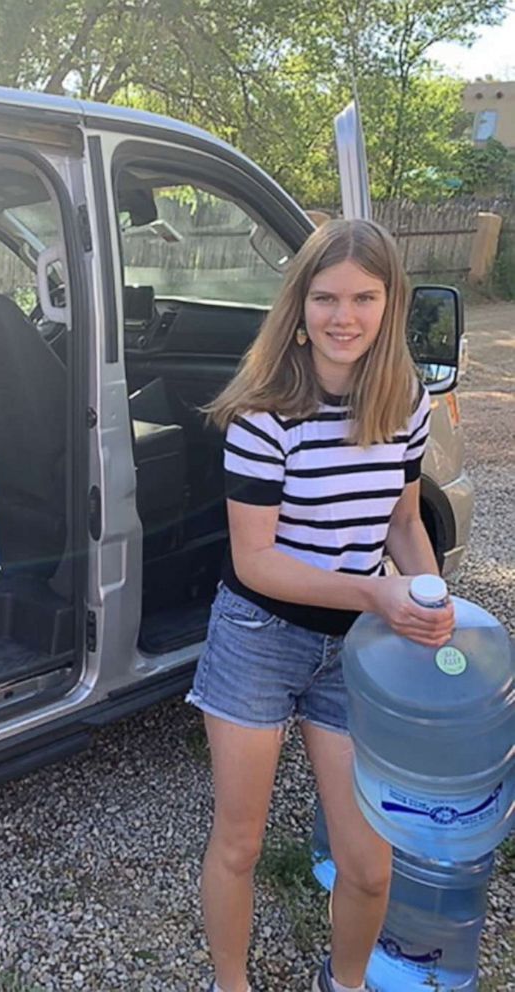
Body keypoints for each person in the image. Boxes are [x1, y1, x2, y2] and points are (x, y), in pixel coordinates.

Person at [186, 218, 455, 992]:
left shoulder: (404, 399)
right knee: (239, 842)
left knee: (369, 865)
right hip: (257, 636)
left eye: (365, 298)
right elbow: (257, 560)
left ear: (391, 304)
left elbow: (403, 523)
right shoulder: (262, 412)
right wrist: (378, 592)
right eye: (327, 297)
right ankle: (229, 983)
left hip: (357, 648)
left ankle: (347, 983)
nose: (346, 317)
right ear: (298, 308)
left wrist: (431, 605)